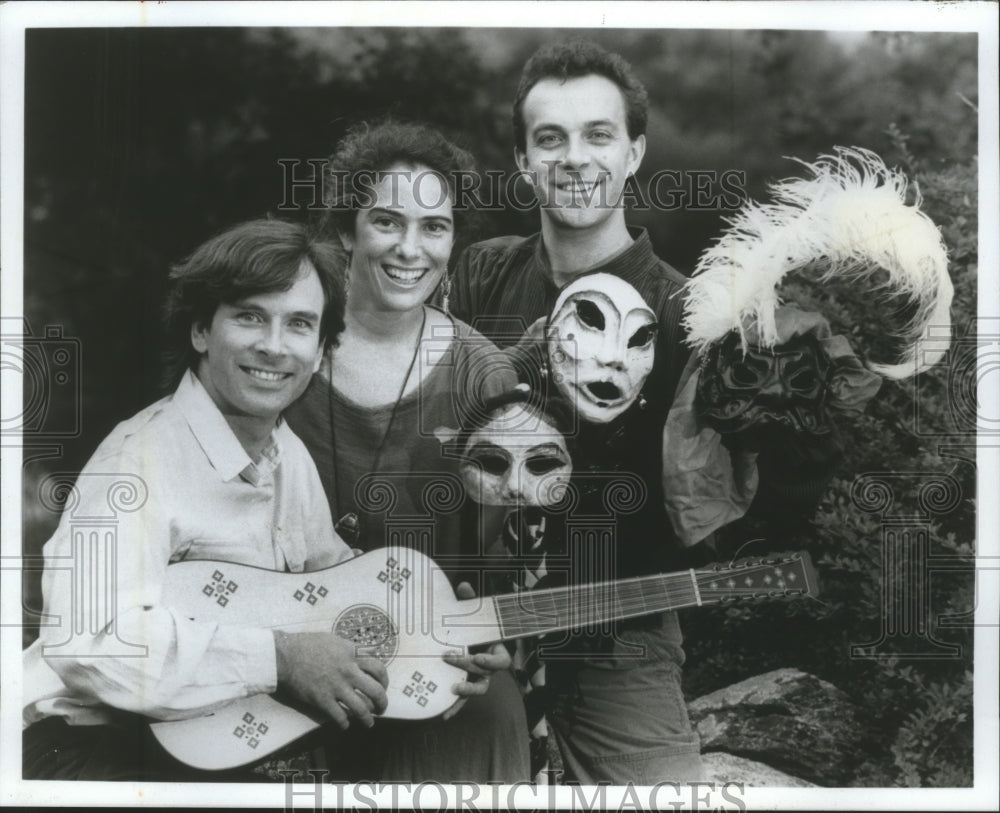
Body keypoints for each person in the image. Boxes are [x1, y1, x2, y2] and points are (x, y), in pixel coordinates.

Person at [21, 219, 394, 781]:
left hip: (208, 751)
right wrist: (280, 659)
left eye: (298, 324)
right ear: (200, 331)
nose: (273, 345)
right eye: (249, 316)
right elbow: (86, 643)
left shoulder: (285, 454)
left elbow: (336, 583)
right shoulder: (135, 466)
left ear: (320, 353)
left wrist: (444, 639)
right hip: (85, 754)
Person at [449, 39, 706, 784]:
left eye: (599, 134)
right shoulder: (479, 272)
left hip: (617, 628)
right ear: (524, 161)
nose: (574, 158)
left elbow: (689, 519)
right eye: (549, 138)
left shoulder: (688, 313)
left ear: (635, 152)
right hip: (470, 614)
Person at [283, 120, 529, 783]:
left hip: (432, 671)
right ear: (346, 229)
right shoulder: (282, 357)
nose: (410, 249)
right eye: (388, 221)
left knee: (490, 714)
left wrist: (494, 638)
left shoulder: (484, 377)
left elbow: (500, 559)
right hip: (283, 661)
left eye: (435, 227)